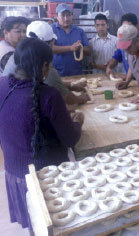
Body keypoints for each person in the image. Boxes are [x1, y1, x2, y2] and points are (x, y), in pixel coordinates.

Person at [0, 38, 84, 232]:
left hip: (14, 171)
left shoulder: (2, 85)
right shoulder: (49, 95)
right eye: (49, 65)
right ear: (45, 65)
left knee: (36, 224)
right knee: (51, 224)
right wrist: (78, 121)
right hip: (45, 177)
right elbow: (70, 138)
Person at [2, 20, 89, 105]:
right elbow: (66, 97)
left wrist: (70, 85)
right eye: (52, 43)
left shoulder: (17, 54)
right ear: (48, 44)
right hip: (21, 110)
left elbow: (49, 82)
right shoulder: (43, 64)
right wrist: (81, 98)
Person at [51, 3, 91, 76]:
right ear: (57, 16)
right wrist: (70, 48)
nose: (66, 18)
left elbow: (89, 51)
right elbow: (49, 48)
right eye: (63, 15)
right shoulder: (51, 29)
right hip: (57, 74)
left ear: (72, 15)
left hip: (77, 73)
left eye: (68, 15)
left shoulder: (79, 31)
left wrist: (79, 48)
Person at [106, 12, 139, 78]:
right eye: (124, 27)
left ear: (136, 26)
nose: (126, 30)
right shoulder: (123, 39)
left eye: (129, 27)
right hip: (129, 80)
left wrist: (127, 77)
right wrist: (109, 67)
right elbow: (117, 56)